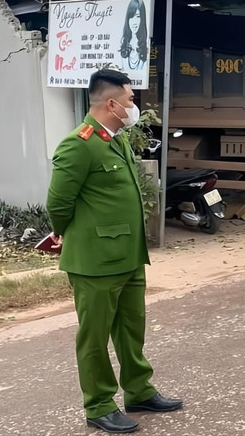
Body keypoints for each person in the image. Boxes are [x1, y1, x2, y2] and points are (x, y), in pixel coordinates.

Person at [47, 69, 182, 434]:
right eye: (130, 100)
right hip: (95, 262)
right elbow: (58, 204)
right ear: (111, 103)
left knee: (131, 330)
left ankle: (139, 390)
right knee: (94, 338)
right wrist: (63, 234)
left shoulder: (115, 138)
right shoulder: (79, 144)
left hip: (129, 254)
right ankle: (99, 405)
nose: (133, 105)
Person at [119, 0, 149, 71]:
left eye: (138, 17)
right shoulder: (122, 44)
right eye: (131, 17)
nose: (134, 22)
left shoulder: (147, 45)